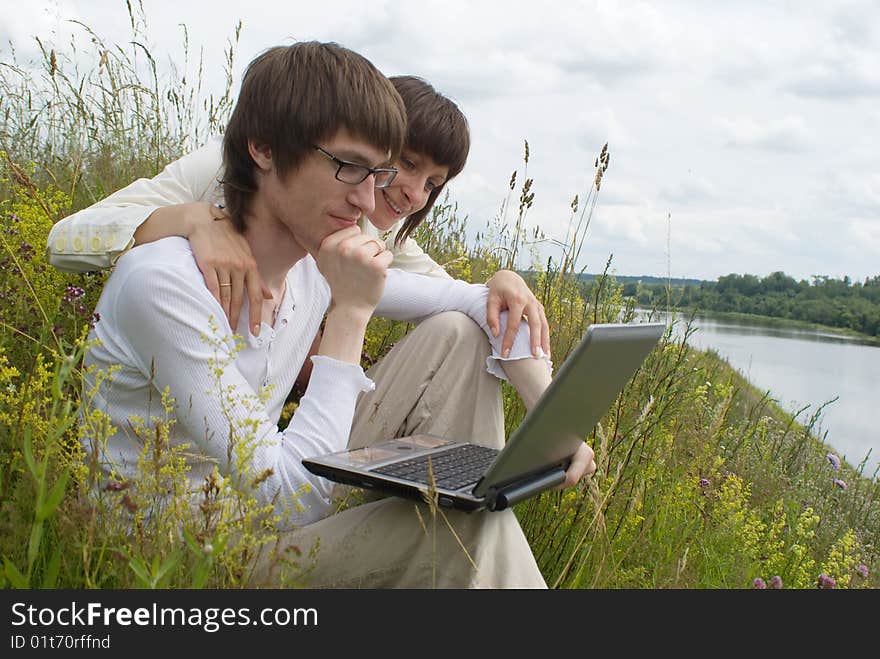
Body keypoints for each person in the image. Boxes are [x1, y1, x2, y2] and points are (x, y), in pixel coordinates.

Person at [69, 41, 595, 588]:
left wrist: (556, 424)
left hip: (264, 499)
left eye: (381, 174)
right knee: (465, 533)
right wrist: (350, 313)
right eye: (349, 167)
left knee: (457, 342)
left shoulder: (312, 260)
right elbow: (292, 501)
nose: (371, 202)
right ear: (264, 149)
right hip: (186, 560)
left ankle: (464, 498)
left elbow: (472, 304)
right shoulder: (167, 284)